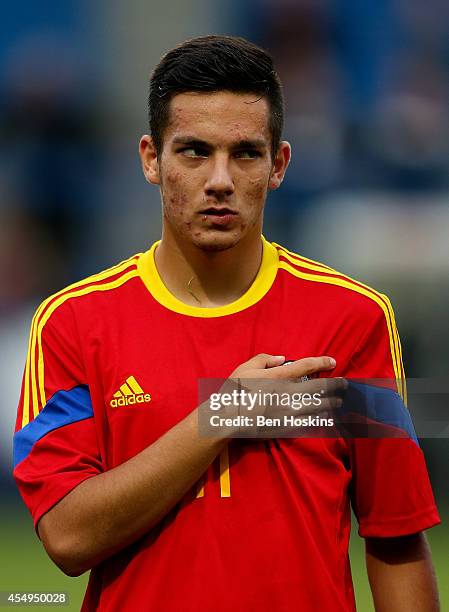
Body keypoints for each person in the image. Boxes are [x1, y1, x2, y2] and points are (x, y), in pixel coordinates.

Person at [13, 35, 440, 611]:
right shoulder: (72, 322)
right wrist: (223, 413)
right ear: (150, 160)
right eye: (193, 151)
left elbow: (396, 536)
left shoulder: (354, 317)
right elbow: (67, 538)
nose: (220, 180)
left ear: (279, 164)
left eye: (244, 153)